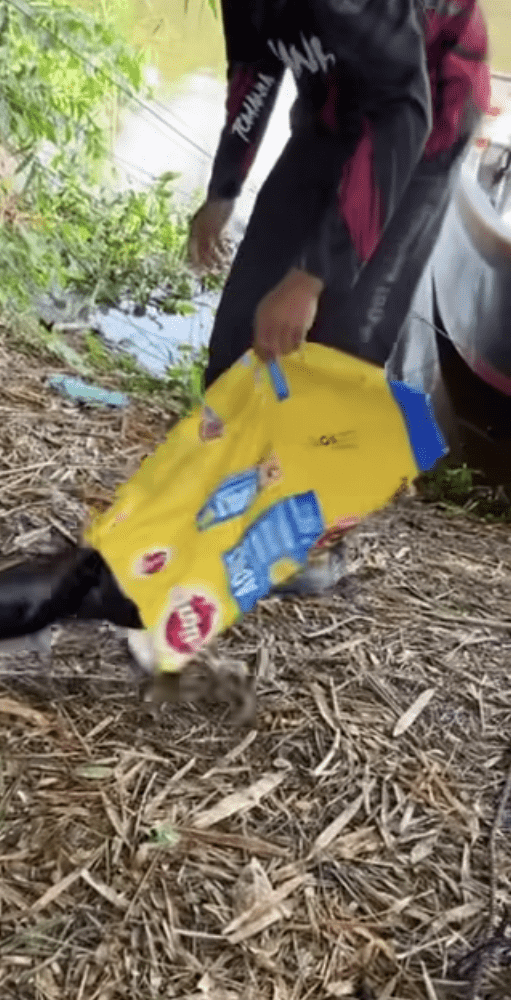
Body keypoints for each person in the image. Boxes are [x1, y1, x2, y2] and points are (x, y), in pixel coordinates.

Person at [188, 0, 491, 595]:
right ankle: (233, 491)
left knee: (340, 340)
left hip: (425, 121)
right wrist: (224, 189)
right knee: (242, 325)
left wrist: (311, 277)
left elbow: (403, 112)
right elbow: (254, 70)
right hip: (330, 116)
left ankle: (317, 540)